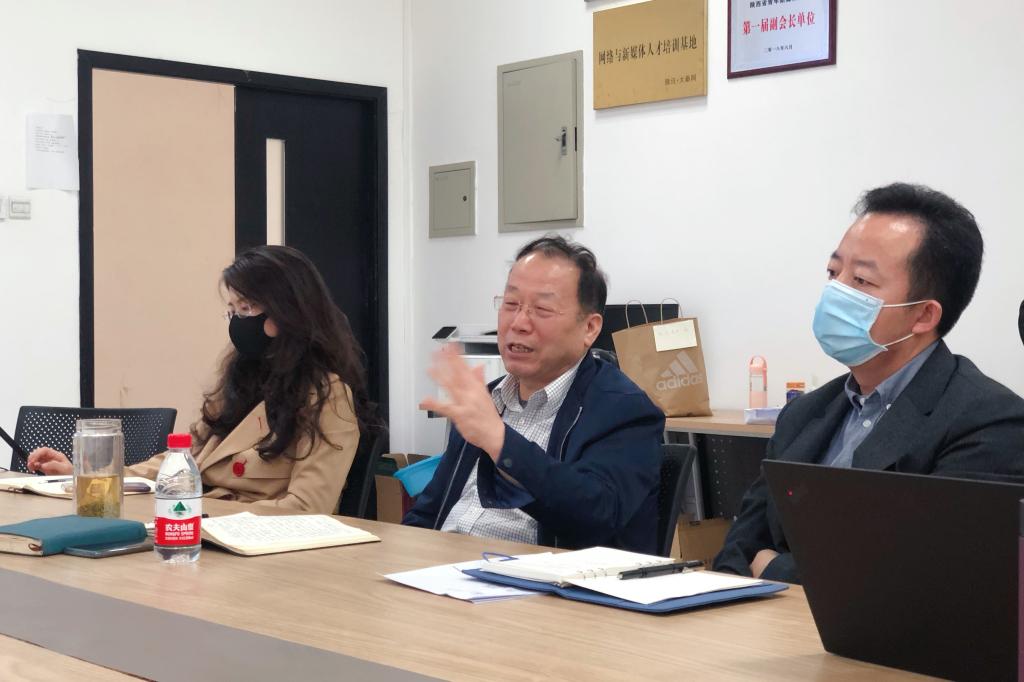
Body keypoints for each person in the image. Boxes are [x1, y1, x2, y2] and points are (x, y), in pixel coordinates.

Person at [714, 183, 1024, 584]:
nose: (836, 290)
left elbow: (925, 578)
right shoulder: (804, 414)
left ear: (924, 316)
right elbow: (738, 549)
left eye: (861, 280)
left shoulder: (990, 422)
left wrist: (776, 568)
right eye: (833, 272)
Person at [27, 245, 376, 514]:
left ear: (287, 310)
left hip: (257, 549)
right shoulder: (241, 381)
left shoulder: (326, 395)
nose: (237, 321)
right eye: (232, 311)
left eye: (246, 309)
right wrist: (92, 476)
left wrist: (203, 516)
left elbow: (307, 509)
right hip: (199, 530)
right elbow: (179, 461)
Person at [403, 236, 664, 552]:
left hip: (540, 578)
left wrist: (500, 441)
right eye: (510, 304)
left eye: (542, 309)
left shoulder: (624, 410)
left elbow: (594, 517)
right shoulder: (488, 399)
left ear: (590, 328)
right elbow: (430, 512)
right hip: (448, 568)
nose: (519, 323)